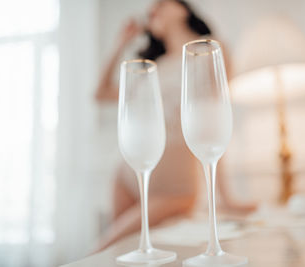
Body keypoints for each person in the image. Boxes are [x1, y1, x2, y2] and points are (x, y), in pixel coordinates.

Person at [95, 0, 257, 251]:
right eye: (150, 11)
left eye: (160, 4)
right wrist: (122, 43)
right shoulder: (151, 67)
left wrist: (227, 197)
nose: (152, 11)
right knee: (124, 255)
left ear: (182, 8)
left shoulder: (210, 49)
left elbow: (213, 124)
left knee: (106, 247)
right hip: (128, 173)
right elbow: (100, 93)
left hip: (174, 185)